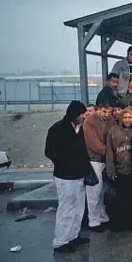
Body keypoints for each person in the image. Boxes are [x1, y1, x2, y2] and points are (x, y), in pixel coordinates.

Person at [45, 101, 92, 253]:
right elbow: (50, 152)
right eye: (81, 114)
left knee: (79, 207)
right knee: (66, 208)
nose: (83, 116)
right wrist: (67, 163)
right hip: (65, 176)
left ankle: (73, 236)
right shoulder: (57, 129)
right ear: (74, 114)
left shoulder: (79, 128)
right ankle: (61, 241)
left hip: (78, 174)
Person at [105, 107, 132, 232]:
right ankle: (119, 223)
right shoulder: (113, 131)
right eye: (125, 117)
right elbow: (109, 152)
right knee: (120, 199)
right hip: (119, 169)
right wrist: (111, 169)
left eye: (130, 117)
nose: (127, 120)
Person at [83, 103, 114, 232]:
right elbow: (94, 143)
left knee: (101, 191)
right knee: (94, 192)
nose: (107, 114)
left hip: (104, 159)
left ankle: (101, 217)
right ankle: (94, 220)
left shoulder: (109, 120)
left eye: (108, 112)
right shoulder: (89, 122)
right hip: (94, 160)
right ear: (98, 110)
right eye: (104, 111)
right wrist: (110, 152)